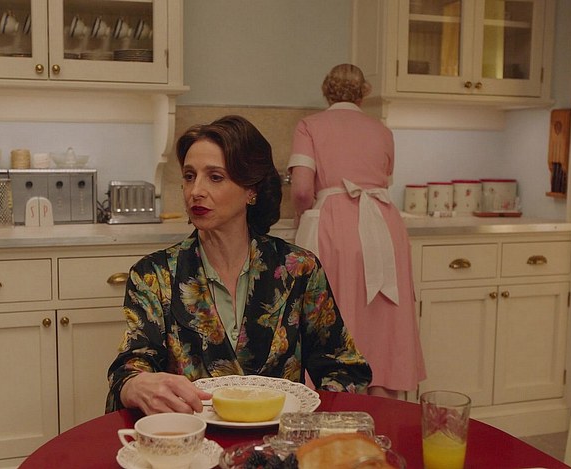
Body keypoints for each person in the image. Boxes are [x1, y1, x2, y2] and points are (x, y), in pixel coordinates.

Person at [106, 115, 372, 415]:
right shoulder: (154, 275)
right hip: (193, 438)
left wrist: (311, 425)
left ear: (251, 190)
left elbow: (344, 369)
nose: (195, 191)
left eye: (215, 177)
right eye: (189, 176)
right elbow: (132, 365)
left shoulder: (299, 269)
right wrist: (134, 384)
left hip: (279, 438)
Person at [288, 64, 426, 398]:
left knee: (336, 312)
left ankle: (337, 400)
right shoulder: (382, 131)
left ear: (326, 90)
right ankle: (384, 406)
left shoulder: (310, 126)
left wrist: (302, 214)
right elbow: (384, 181)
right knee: (383, 315)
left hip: (336, 226)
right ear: (363, 93)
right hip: (384, 226)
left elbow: (302, 190)